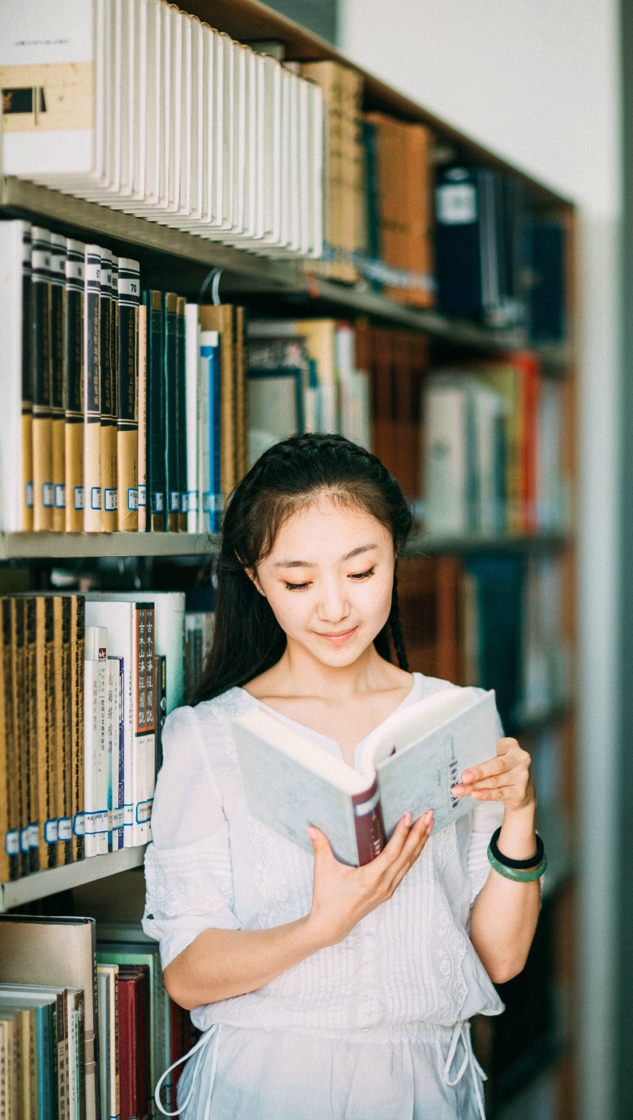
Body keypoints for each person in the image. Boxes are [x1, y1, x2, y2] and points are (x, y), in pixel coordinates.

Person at [144, 434, 545, 1120]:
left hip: (422, 1083)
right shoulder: (208, 738)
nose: (333, 607)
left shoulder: (451, 719)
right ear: (254, 573)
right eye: (298, 581)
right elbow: (187, 973)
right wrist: (320, 926)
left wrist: (521, 814)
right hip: (264, 1083)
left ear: (396, 553)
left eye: (361, 572)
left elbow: (501, 959)